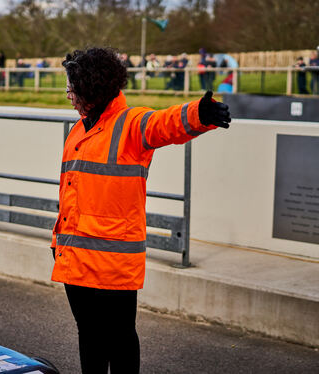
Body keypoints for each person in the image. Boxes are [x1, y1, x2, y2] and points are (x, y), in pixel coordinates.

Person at [51, 47, 230, 374]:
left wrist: (198, 114)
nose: (69, 96)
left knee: (119, 339)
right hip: (76, 256)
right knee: (89, 336)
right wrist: (58, 242)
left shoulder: (130, 124)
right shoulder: (79, 130)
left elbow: (163, 124)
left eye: (73, 89)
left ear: (93, 89)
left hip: (113, 260)